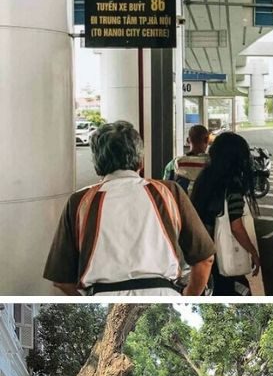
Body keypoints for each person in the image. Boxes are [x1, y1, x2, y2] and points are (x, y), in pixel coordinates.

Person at [44, 120, 215, 296]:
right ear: (140, 160)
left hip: (102, 295)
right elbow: (205, 259)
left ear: (97, 162)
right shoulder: (168, 192)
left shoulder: (79, 201)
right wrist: (188, 297)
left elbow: (62, 279)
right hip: (164, 294)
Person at [190, 132, 261, 296]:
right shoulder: (232, 184)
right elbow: (236, 227)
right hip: (222, 254)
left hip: (204, 252)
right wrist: (253, 252)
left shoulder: (205, 177)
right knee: (238, 291)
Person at [163, 124, 211, 193]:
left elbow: (166, 189)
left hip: (181, 203)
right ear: (206, 140)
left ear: (188, 140)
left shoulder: (173, 164)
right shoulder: (212, 164)